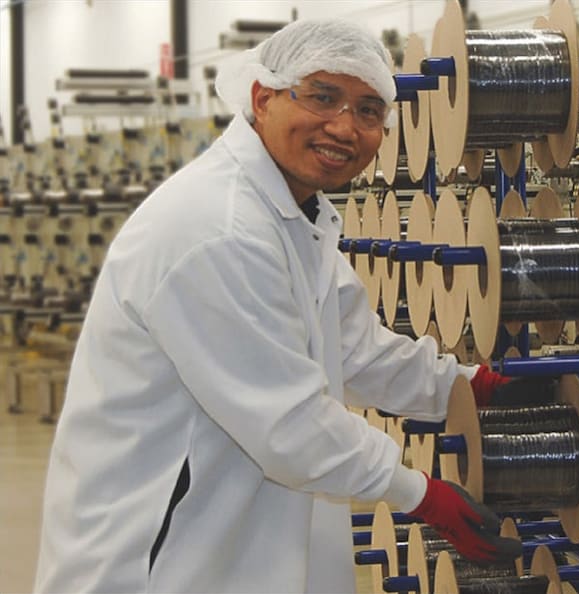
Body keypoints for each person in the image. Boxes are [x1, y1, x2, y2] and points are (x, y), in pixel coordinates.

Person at [34, 18, 527, 594]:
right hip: (153, 562)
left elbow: (357, 350)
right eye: (323, 97)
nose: (344, 126)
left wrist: (468, 387)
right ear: (262, 98)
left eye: (369, 110)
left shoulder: (294, 218)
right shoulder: (219, 230)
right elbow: (289, 424)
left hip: (230, 545)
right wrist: (420, 494)